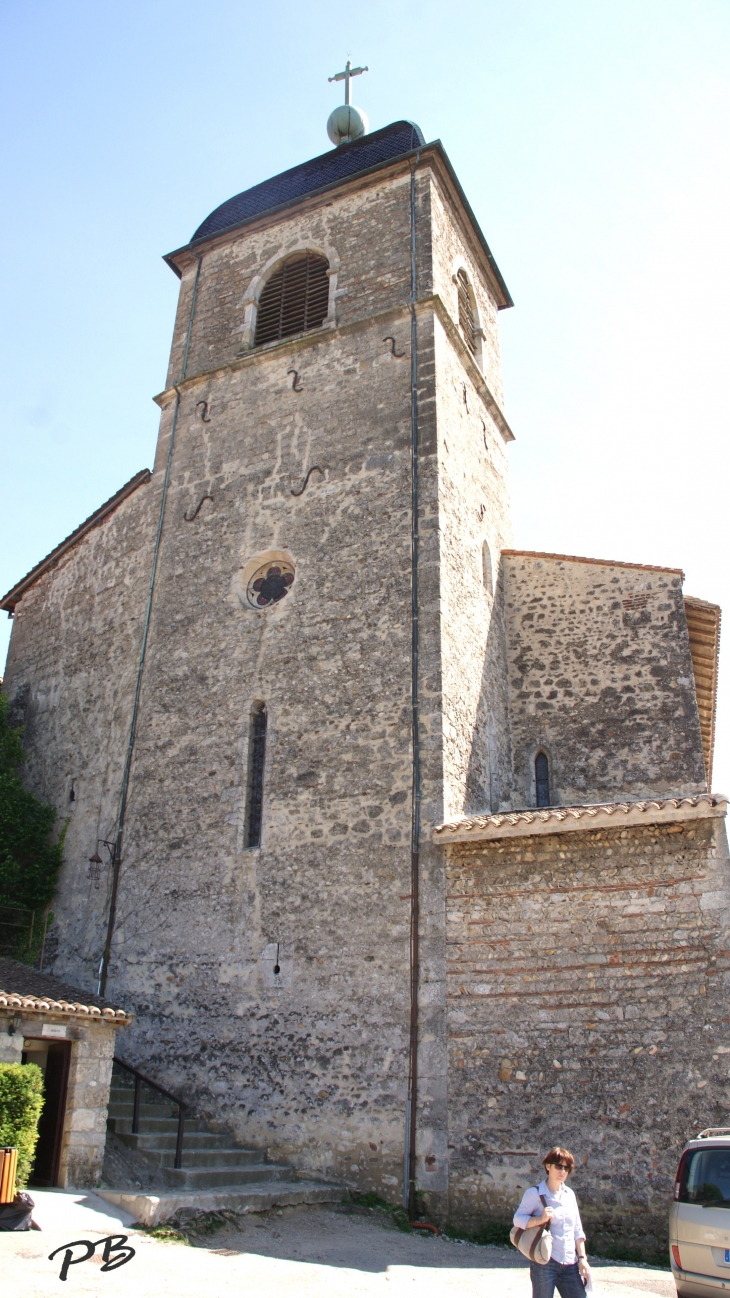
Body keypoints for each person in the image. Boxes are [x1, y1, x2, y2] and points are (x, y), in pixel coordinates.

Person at [513, 1146, 591, 1297]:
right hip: (545, 1262)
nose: (562, 1171)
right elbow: (517, 1219)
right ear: (548, 1166)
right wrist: (539, 1219)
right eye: (558, 1166)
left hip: (570, 1263)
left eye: (566, 1168)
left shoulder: (570, 1195)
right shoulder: (535, 1194)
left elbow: (577, 1230)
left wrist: (582, 1258)